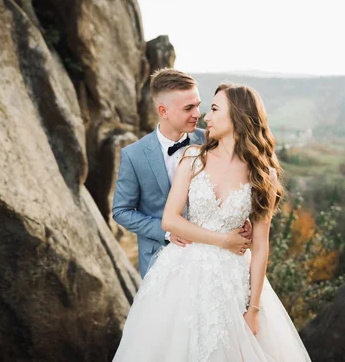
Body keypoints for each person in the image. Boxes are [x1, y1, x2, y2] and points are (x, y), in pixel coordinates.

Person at [113, 83, 311, 361]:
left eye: (215, 109)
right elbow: (170, 220)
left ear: (238, 116)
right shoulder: (193, 157)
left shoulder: (263, 174)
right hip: (181, 273)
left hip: (233, 280)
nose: (205, 116)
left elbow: (261, 246)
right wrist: (224, 240)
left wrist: (253, 309)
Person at [112, 69, 251, 278]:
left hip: (214, 258)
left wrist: (239, 218)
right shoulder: (134, 155)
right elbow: (121, 211)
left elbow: (235, 182)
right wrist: (166, 231)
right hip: (160, 257)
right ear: (163, 111)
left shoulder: (212, 140)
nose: (198, 114)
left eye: (197, 105)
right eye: (188, 108)